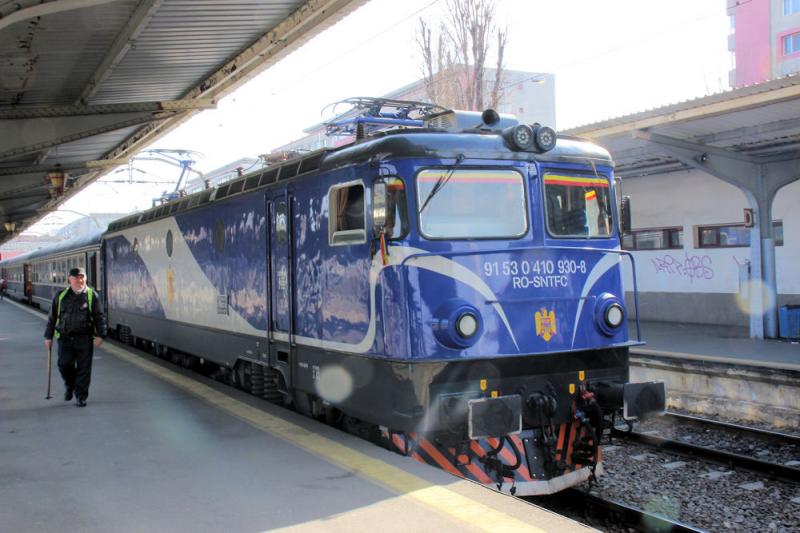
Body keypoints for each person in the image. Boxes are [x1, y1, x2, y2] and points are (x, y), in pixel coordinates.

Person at [44, 267, 107, 407]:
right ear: (69, 279)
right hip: (65, 338)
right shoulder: (61, 296)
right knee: (63, 364)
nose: (80, 280)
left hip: (84, 338)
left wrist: (101, 335)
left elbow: (99, 317)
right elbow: (52, 317)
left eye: (82, 277)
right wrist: (48, 337)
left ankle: (81, 396)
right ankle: (70, 385)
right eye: (77, 277)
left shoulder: (91, 295)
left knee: (84, 368)